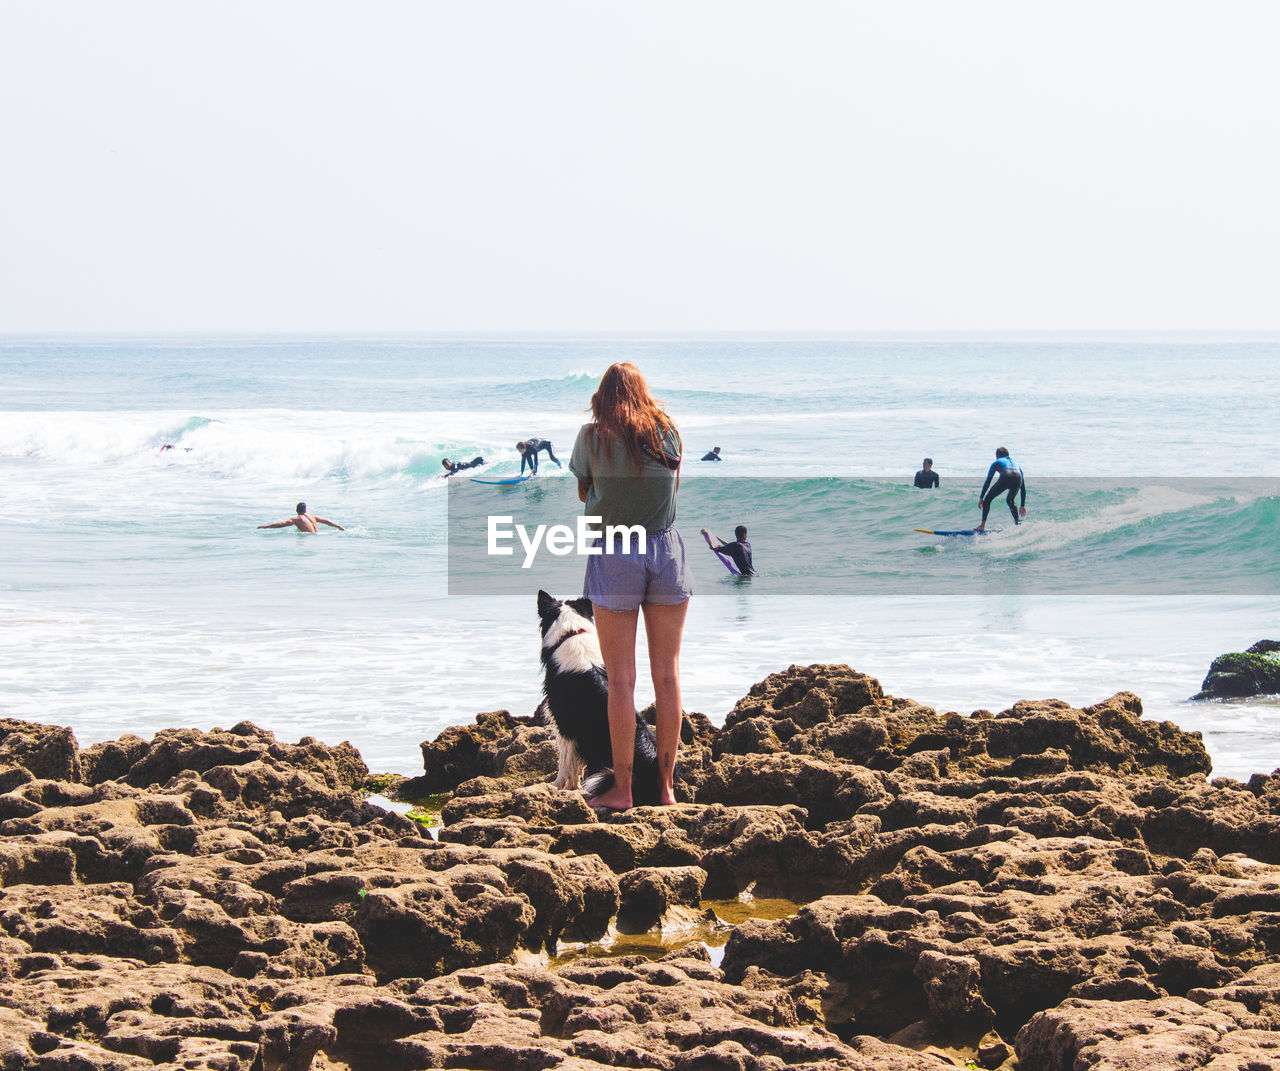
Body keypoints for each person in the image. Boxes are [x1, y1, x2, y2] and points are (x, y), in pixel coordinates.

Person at [569, 363, 691, 811]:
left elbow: (586, 489)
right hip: (665, 551)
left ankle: (622, 790)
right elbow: (671, 492)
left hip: (616, 553)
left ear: (602, 396)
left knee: (621, 682)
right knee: (668, 676)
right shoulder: (669, 432)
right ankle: (665, 788)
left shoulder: (591, 437)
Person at [977, 448, 1026, 531]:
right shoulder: (1016, 464)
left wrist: (981, 497)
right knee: (1010, 500)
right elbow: (1023, 487)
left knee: (987, 501)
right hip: (1018, 478)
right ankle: (1018, 523)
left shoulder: (997, 462)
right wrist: (1022, 505)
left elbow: (988, 480)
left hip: (1006, 476)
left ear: (997, 456)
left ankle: (982, 525)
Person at [258, 502, 345, 533]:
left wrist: (266, 526)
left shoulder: (297, 519)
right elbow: (327, 521)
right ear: (305, 510)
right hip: (318, 536)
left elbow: (281, 524)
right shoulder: (313, 517)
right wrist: (338, 526)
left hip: (309, 539)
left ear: (296, 510)